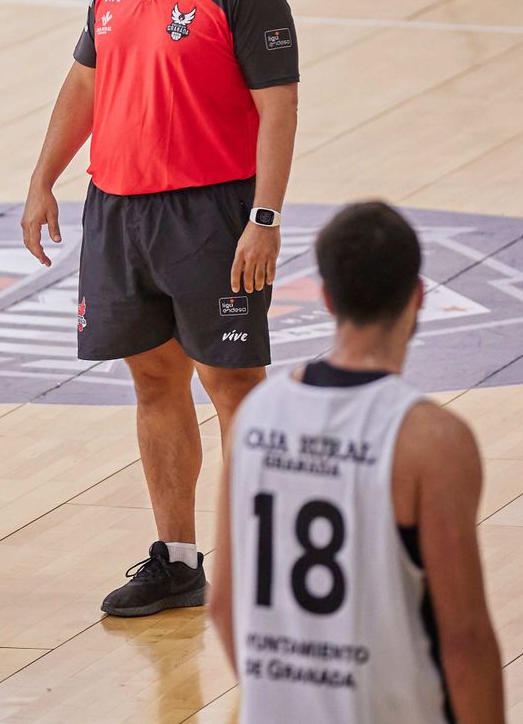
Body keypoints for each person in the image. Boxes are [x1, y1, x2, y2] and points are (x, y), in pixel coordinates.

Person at [22, 0, 299, 616]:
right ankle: (178, 561)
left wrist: (265, 219)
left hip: (212, 214)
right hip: (117, 209)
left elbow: (277, 109)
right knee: (152, 377)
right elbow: (85, 83)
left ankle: (260, 561)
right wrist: (44, 177)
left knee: (235, 383)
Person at [211, 201, 504, 723]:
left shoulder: (255, 417)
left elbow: (223, 605)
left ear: (326, 298)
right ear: (418, 296)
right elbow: (464, 638)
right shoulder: (431, 440)